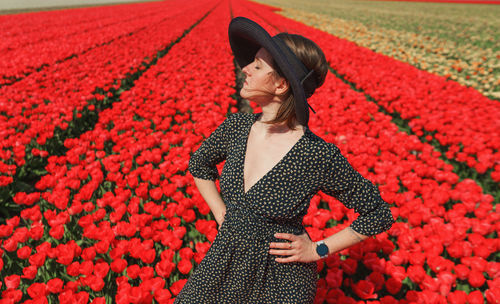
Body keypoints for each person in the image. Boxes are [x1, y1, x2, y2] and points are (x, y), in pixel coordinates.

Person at [174, 17, 394, 304]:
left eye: (258, 65)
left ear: (280, 85)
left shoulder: (316, 154)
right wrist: (222, 215)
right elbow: (200, 164)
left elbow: (378, 212)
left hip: (279, 282)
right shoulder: (236, 128)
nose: (246, 69)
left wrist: (318, 250)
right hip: (222, 266)